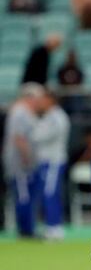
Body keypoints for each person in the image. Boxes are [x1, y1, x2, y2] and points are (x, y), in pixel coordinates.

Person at [2, 83, 44, 238]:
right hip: (20, 164)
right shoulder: (20, 113)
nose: (40, 102)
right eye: (38, 98)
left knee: (28, 196)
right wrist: (27, 158)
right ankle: (25, 230)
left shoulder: (26, 112)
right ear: (30, 97)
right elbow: (19, 138)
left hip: (25, 163)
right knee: (23, 196)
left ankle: (28, 228)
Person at [30, 89, 71, 241]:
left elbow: (39, 136)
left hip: (53, 161)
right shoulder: (49, 116)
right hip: (46, 162)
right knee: (47, 194)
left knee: (51, 193)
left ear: (51, 100)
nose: (40, 102)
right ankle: (50, 226)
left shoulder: (56, 117)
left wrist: (34, 132)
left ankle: (55, 227)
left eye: (43, 99)